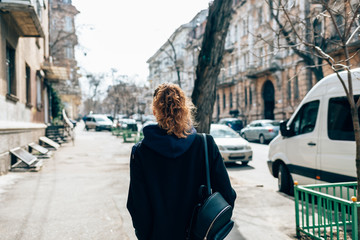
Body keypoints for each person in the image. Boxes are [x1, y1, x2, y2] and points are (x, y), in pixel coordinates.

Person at [127, 83, 236, 240]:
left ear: (154, 112)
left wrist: (146, 235)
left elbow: (137, 205)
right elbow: (227, 195)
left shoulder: (140, 152)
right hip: (197, 235)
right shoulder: (205, 144)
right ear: (185, 109)